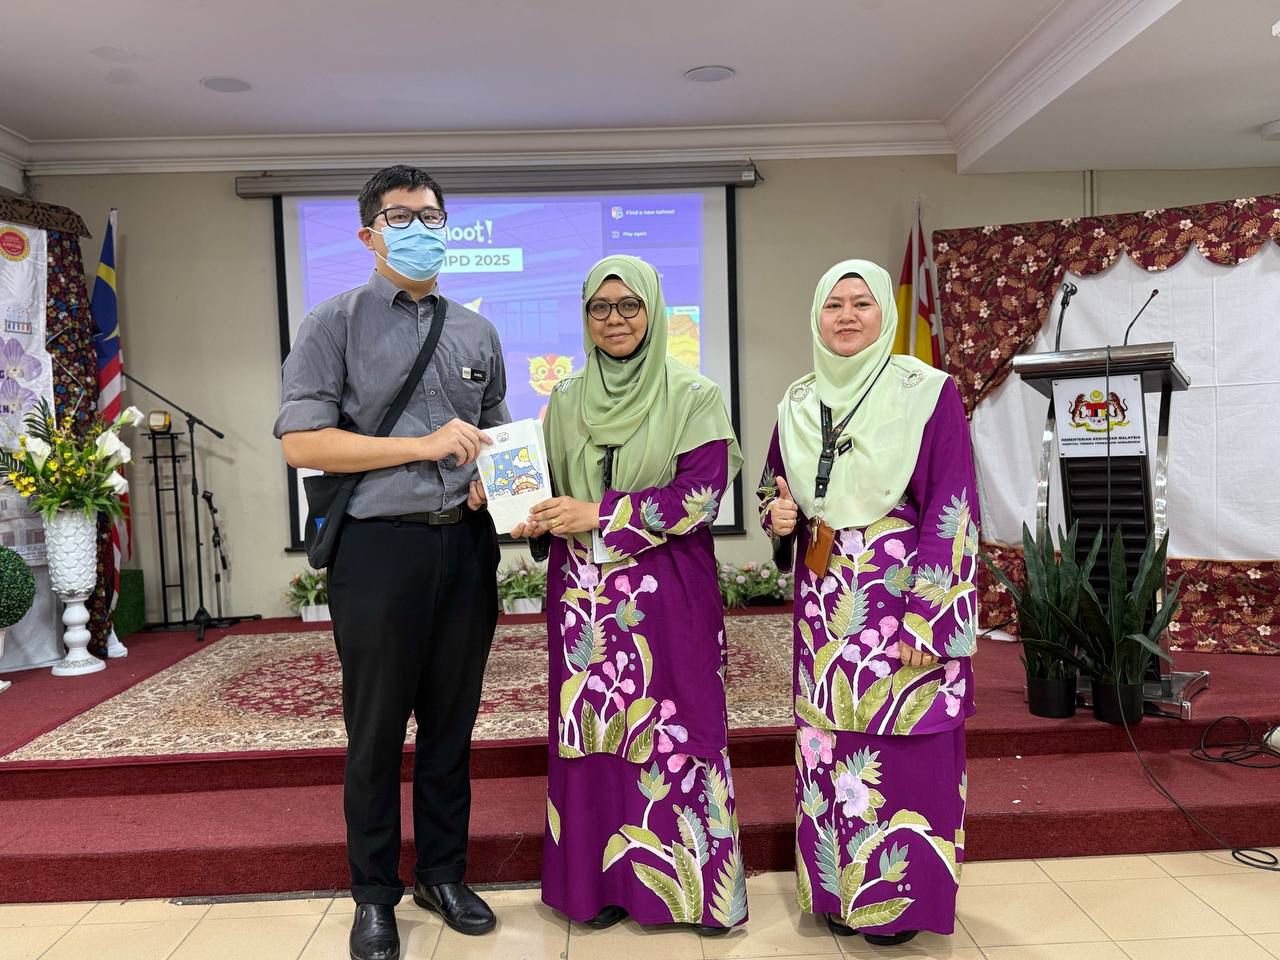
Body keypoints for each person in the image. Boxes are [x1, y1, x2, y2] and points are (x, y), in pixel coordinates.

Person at [274, 165, 508, 960]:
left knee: (452, 723)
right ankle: (373, 895)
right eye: (401, 217)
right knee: (375, 731)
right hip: (378, 551)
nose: (419, 228)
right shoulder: (332, 323)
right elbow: (303, 443)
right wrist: (420, 445)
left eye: (431, 216)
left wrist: (494, 480)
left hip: (464, 546)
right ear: (370, 234)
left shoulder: (476, 331)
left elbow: (498, 435)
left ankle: (442, 873)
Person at [502, 254, 749, 934]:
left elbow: (699, 497)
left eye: (629, 305)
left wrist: (601, 513)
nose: (615, 320)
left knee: (679, 725)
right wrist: (530, 514)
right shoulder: (566, 399)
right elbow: (551, 490)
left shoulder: (694, 395)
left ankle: (694, 893)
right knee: (594, 731)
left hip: (667, 593)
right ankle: (598, 890)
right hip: (583, 596)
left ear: (654, 309)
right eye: (600, 308)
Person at [757, 259, 978, 947]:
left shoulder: (927, 392)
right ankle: (836, 887)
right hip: (826, 607)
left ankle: (896, 902)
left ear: (885, 313)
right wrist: (778, 517)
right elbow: (773, 488)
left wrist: (929, 617)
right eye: (834, 305)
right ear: (816, 317)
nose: (847, 316)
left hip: (900, 603)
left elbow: (952, 506)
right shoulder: (798, 401)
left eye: (862, 303)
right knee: (829, 746)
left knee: (901, 747)